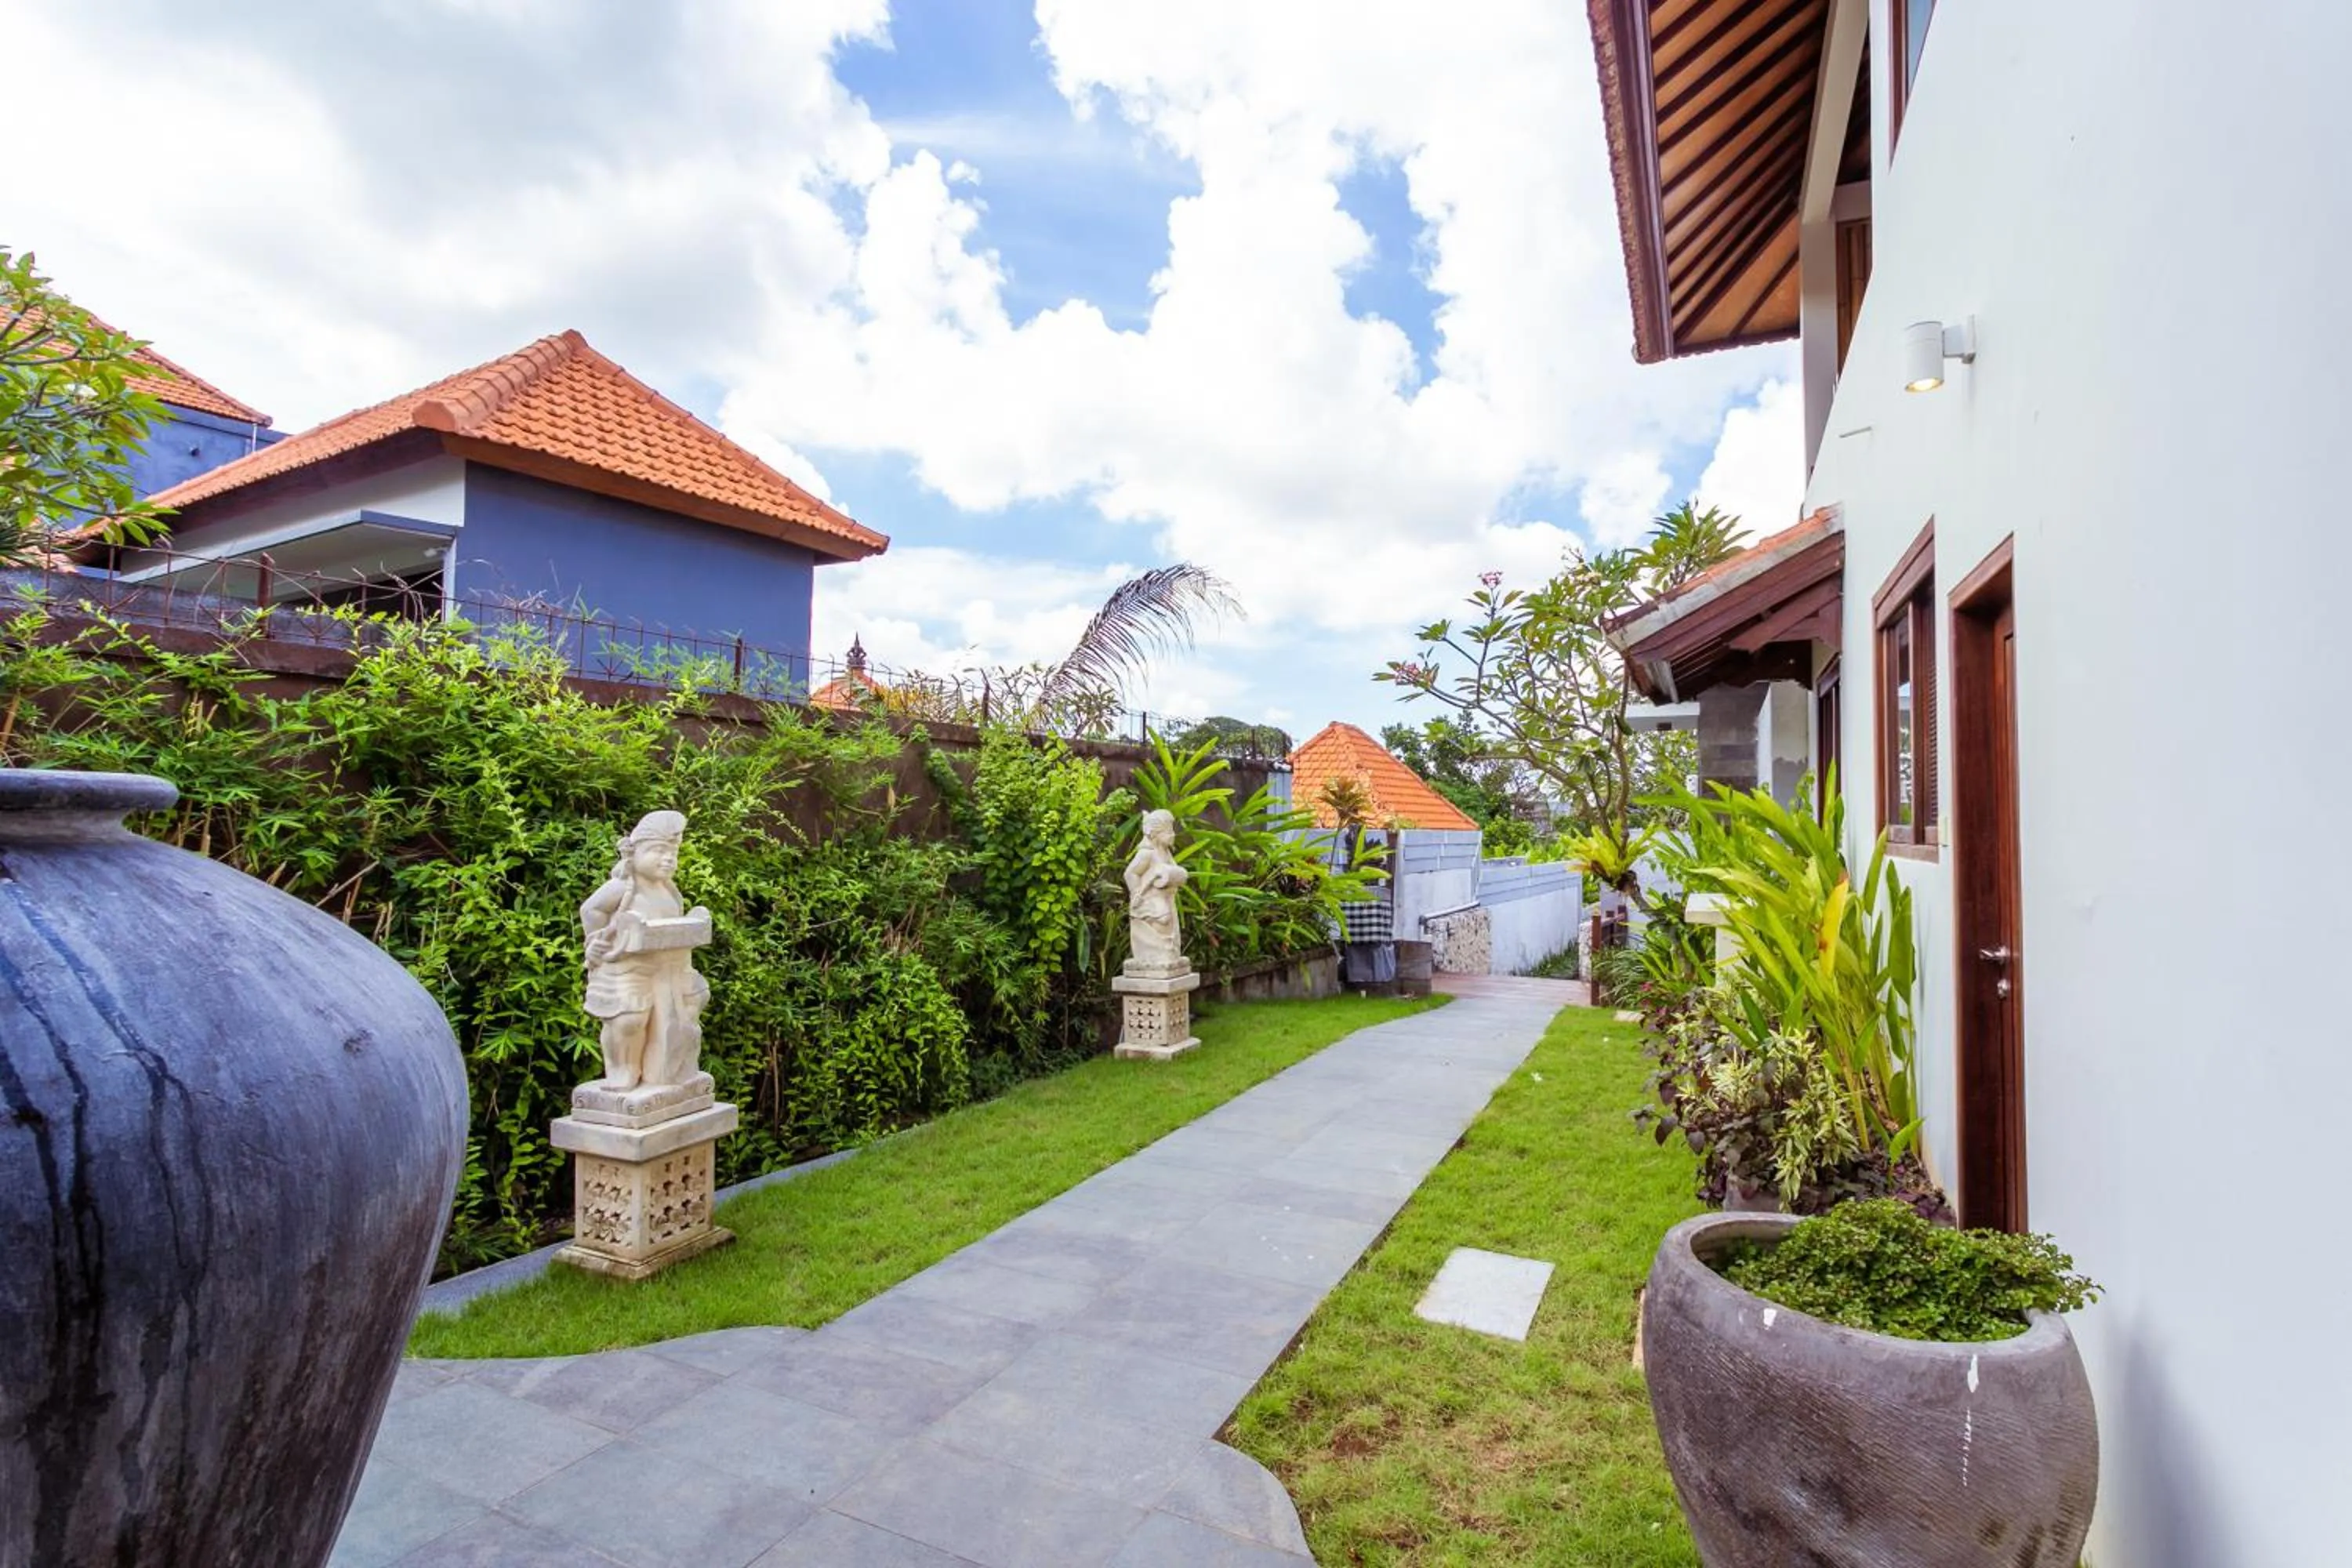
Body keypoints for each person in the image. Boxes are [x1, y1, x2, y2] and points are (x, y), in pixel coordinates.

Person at [581, 810, 711, 1089]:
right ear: (634, 853)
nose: (668, 859)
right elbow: (591, 909)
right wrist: (596, 941)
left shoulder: (670, 890)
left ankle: (672, 1069)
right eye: (659, 851)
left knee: (693, 1002)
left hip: (672, 969)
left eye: (673, 853)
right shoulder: (623, 887)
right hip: (631, 968)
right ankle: (623, 1071)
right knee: (629, 1019)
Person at [1123, 808, 1189, 971]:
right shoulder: (1147, 854)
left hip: (1167, 897)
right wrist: (1136, 893)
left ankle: (1168, 953)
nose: (1173, 834)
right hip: (1149, 899)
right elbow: (1130, 873)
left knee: (1170, 924)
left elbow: (1175, 871)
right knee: (1163, 919)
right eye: (1168, 831)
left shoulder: (1166, 853)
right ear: (1154, 834)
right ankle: (1153, 954)